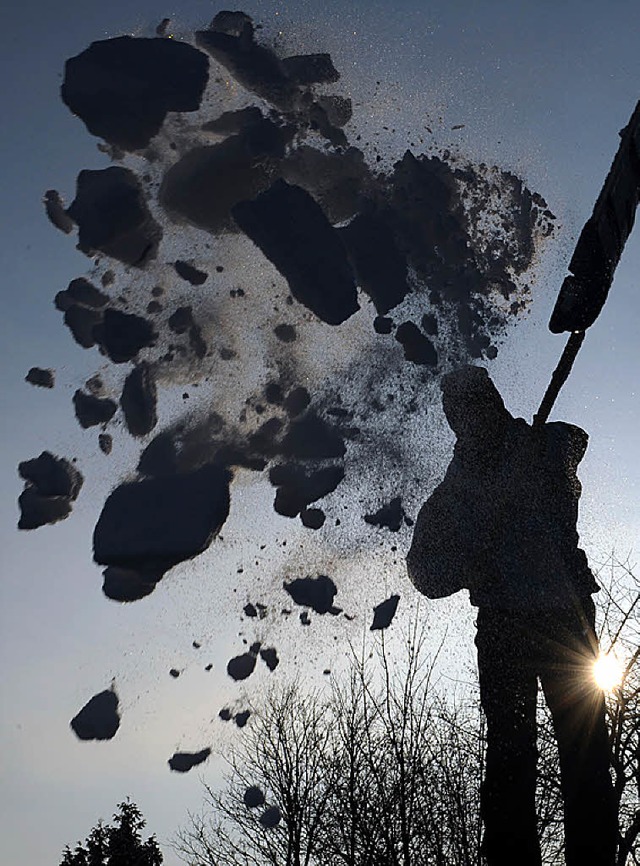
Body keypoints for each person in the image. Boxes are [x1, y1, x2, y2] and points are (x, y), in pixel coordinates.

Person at [407, 365, 617, 866]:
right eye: (460, 413)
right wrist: (471, 552)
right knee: (509, 754)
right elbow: (423, 570)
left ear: (495, 405)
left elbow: (574, 444)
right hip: (503, 624)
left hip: (564, 614)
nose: (471, 420)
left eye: (478, 407)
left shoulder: (543, 446)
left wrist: (533, 458)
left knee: (585, 750)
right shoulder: (454, 492)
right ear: (453, 421)